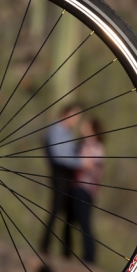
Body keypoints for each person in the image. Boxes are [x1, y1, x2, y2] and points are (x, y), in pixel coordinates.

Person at [40, 103, 83, 257]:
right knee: (56, 209)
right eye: (76, 116)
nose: (77, 120)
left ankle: (66, 252)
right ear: (66, 113)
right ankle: (45, 246)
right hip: (60, 174)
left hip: (68, 176)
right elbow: (59, 156)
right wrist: (80, 163)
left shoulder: (67, 133)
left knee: (69, 213)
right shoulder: (56, 131)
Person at [72, 118, 105, 263]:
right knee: (74, 220)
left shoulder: (97, 148)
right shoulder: (83, 144)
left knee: (85, 222)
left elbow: (90, 166)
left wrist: (73, 161)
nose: (83, 127)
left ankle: (89, 257)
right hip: (77, 187)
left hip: (86, 189)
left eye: (86, 126)